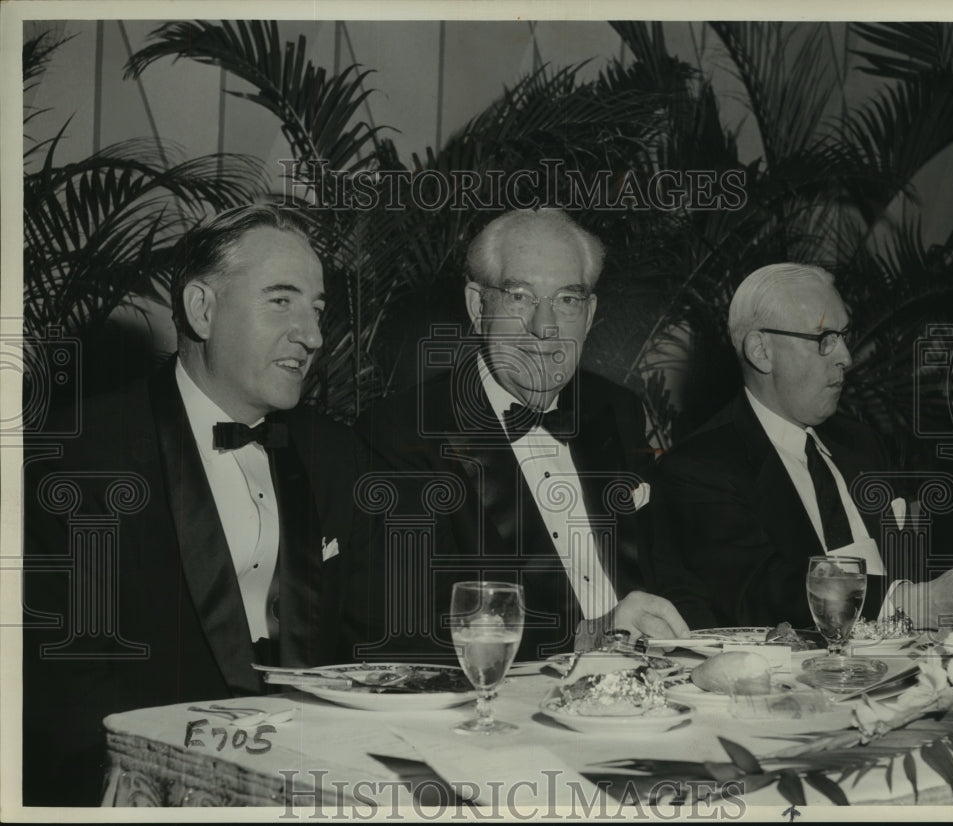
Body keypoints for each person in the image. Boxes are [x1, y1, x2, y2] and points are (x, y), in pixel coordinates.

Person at [21, 204, 374, 806]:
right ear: (201, 309)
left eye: (316, 309)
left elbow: (375, 647)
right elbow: (56, 692)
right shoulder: (77, 459)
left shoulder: (337, 455)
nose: (312, 335)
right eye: (281, 301)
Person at [356, 208, 698, 662]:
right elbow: (414, 624)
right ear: (479, 306)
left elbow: (672, 573)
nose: (546, 327)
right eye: (520, 297)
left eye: (567, 300)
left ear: (590, 312)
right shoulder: (404, 430)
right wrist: (589, 637)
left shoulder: (617, 409)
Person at [656, 262, 953, 629]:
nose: (847, 358)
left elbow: (910, 563)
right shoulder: (699, 468)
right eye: (824, 339)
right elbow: (759, 593)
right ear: (761, 351)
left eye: (843, 336)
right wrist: (912, 604)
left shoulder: (861, 443)